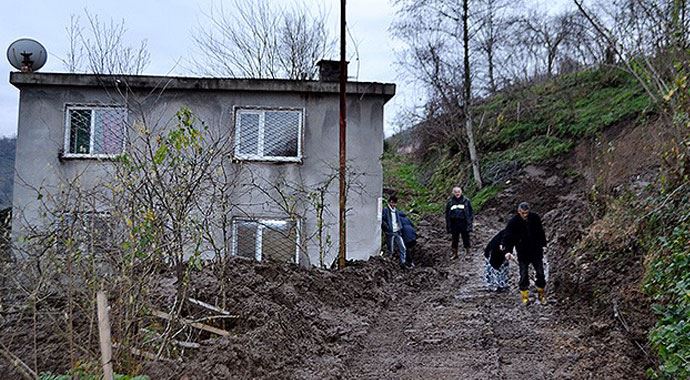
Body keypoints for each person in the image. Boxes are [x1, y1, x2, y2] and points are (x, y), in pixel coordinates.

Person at [501, 202, 547, 305]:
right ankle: (525, 297)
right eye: (523, 213)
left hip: (536, 251)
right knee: (524, 274)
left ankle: (541, 295)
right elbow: (508, 237)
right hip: (523, 252)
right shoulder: (513, 222)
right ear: (519, 212)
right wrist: (507, 251)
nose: (525, 215)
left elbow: (541, 232)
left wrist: (544, 245)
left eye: (526, 213)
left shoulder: (535, 218)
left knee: (540, 273)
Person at [445, 186, 474, 260]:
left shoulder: (466, 201)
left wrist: (470, 224)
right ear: (453, 193)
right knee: (454, 239)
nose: (457, 193)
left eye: (458, 191)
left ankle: (468, 253)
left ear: (461, 192)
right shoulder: (450, 202)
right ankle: (455, 254)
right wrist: (448, 226)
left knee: (466, 238)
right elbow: (447, 215)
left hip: (464, 222)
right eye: (455, 192)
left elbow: (470, 213)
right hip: (454, 223)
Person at [381, 195, 410, 269]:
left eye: (394, 203)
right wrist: (387, 227)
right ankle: (388, 265)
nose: (392, 204)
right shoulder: (386, 210)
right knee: (390, 249)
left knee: (402, 248)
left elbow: (399, 218)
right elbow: (382, 219)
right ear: (389, 202)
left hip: (397, 231)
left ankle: (402, 263)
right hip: (390, 232)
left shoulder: (396, 211)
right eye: (391, 202)